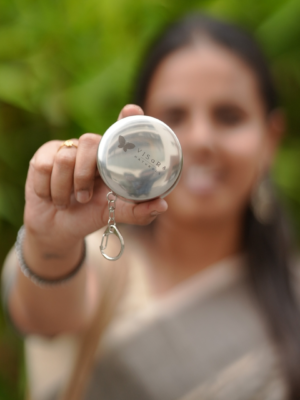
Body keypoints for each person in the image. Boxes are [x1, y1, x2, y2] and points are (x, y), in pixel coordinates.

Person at [2, 13, 300, 400]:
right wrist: (50, 240)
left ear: (270, 139)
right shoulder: (90, 257)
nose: (202, 139)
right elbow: (41, 316)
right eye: (175, 117)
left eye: (229, 116)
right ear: (137, 131)